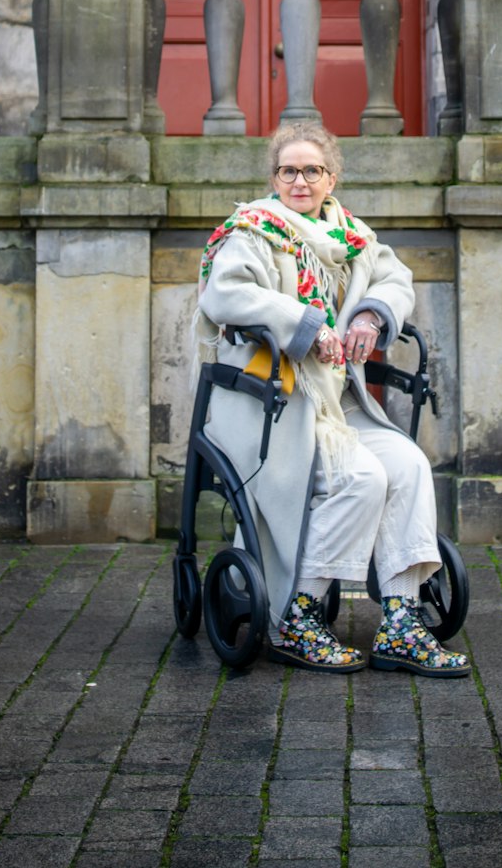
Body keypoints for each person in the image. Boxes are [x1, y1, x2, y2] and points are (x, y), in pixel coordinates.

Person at [194, 121, 468, 677]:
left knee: (410, 465)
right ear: (274, 177)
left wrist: (372, 313)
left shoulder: (352, 237)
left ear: (331, 177)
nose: (300, 181)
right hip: (271, 402)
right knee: (363, 478)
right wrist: (304, 324)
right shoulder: (251, 231)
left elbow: (396, 281)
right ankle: (297, 616)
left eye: (311, 170)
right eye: (289, 171)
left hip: (334, 405)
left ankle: (400, 623)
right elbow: (226, 292)